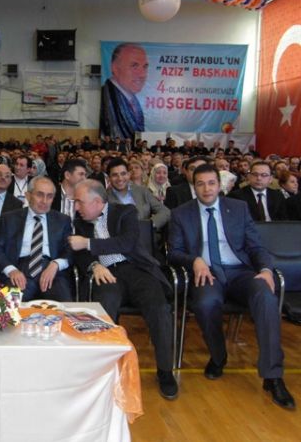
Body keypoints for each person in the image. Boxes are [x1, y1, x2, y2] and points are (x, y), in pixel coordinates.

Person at [168, 164, 295, 409]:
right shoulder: (181, 214)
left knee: (266, 296)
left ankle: (273, 376)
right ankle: (218, 357)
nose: (207, 189)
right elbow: (173, 252)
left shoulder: (238, 208)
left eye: (211, 183)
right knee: (205, 303)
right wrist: (194, 260)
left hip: (239, 271)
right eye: (200, 184)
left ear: (220, 185)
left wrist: (266, 270)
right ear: (194, 187)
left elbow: (256, 247)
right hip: (207, 273)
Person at [69, 179, 178, 400]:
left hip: (137, 270)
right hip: (107, 273)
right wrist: (94, 264)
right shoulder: (80, 222)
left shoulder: (125, 212)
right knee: (104, 310)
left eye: (79, 202)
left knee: (159, 309)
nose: (76, 207)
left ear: (97, 202)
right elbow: (77, 254)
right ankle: (101, 371)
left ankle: (165, 371)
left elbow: (126, 243)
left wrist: (88, 243)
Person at [0, 176, 73, 302]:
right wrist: (11, 270)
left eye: (49, 196)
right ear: (28, 196)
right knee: (11, 306)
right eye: (40, 195)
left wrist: (56, 264)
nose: (44, 201)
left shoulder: (62, 220)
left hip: (52, 272)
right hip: (19, 270)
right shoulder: (9, 219)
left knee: (65, 307)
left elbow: (70, 250)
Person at [106, 158, 170, 231]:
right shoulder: (104, 198)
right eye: (115, 175)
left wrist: (149, 224)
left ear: (128, 175)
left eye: (123, 174)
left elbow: (165, 212)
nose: (120, 178)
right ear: (108, 178)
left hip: (145, 234)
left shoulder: (142, 191)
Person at [100, 43, 148, 140]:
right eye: (134, 66)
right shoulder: (105, 98)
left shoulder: (132, 99)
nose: (142, 74)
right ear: (115, 68)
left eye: (145, 67)